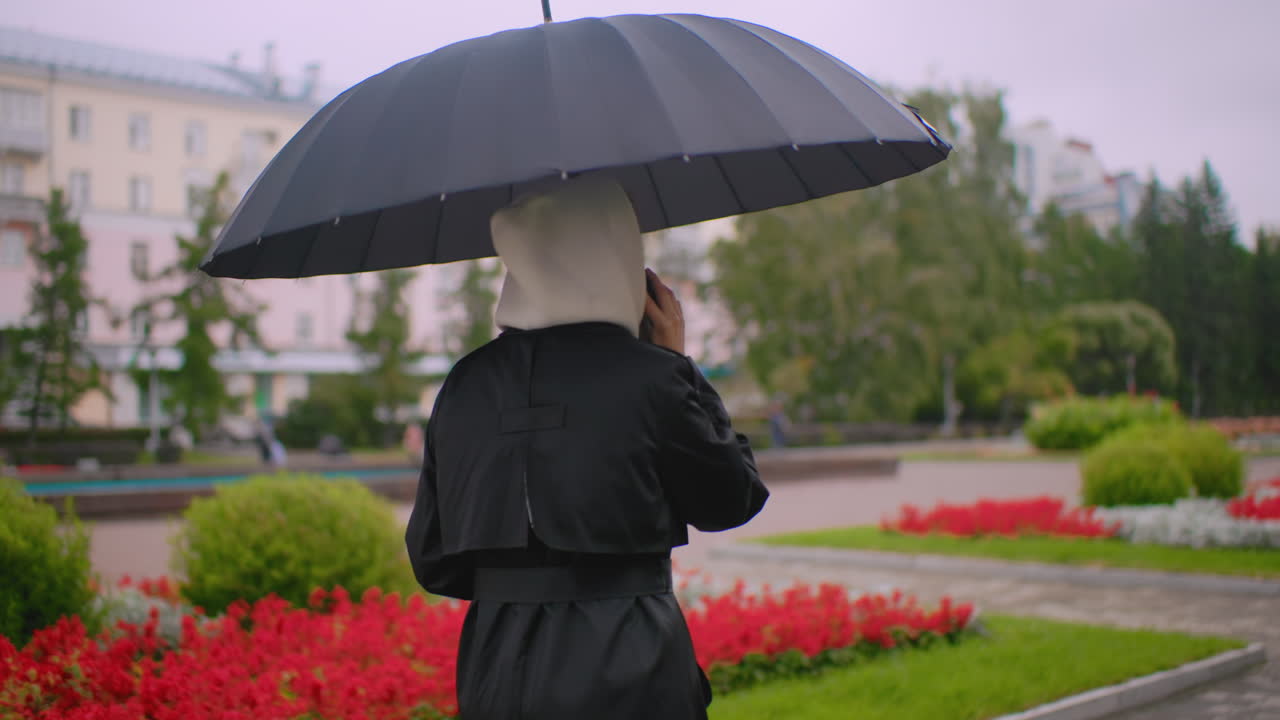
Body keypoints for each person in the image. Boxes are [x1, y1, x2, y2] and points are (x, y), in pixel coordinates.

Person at [405, 175, 768, 720]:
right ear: (619, 258)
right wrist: (679, 367)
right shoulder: (651, 378)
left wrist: (519, 581)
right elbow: (731, 499)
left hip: (498, 670)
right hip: (630, 663)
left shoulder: (464, 384)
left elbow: (433, 561)